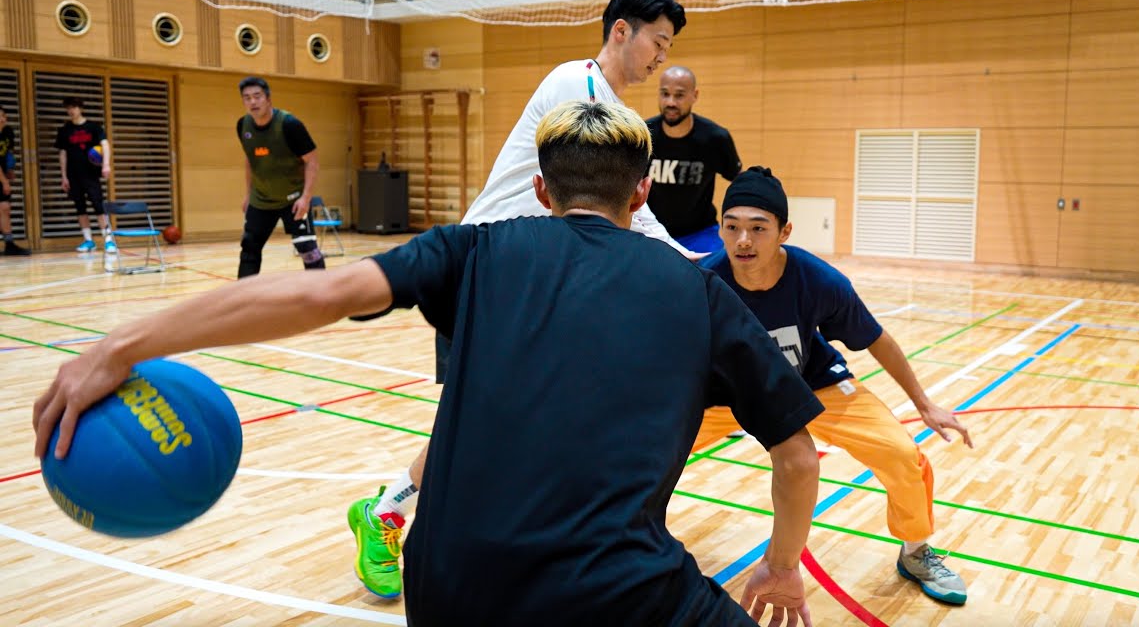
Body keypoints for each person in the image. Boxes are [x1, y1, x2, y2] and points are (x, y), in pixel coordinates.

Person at [34, 100, 824, 627]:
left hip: (451, 586)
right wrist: (783, 568)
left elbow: (319, 295)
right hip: (618, 591)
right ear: (642, 192)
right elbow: (795, 454)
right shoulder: (700, 294)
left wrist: (119, 345)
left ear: (542, 190)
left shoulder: (471, 250)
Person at [343, 0, 699, 598]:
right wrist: (689, 264)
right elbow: (630, 214)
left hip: (542, 281)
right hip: (490, 274)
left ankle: (412, 512)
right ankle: (389, 513)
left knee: (513, 417)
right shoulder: (577, 88)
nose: (660, 58)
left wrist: (685, 260)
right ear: (622, 31)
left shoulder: (609, 107)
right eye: (658, 43)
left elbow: (629, 211)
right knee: (476, 419)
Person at [695, 166, 974, 606]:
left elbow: (876, 339)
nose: (743, 240)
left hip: (812, 384)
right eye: (732, 228)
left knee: (902, 454)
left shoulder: (818, 280)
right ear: (720, 229)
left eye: (757, 228)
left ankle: (916, 550)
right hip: (726, 393)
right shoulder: (704, 283)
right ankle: (625, 540)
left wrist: (924, 404)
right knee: (646, 450)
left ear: (783, 231)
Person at [235, 77, 325, 279]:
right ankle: (244, 297)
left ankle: (321, 291)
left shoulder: (290, 124)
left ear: (268, 98)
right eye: (247, 98)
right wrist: (248, 195)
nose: (253, 102)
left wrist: (306, 198)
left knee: (307, 248)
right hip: (261, 200)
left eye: (257, 96)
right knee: (249, 248)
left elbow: (312, 161)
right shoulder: (243, 126)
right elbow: (250, 160)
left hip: (293, 199)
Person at [645, 66, 741, 253]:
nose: (670, 102)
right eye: (665, 94)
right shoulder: (643, 134)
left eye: (679, 95)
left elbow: (738, 180)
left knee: (715, 276)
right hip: (652, 232)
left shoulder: (715, 138)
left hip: (701, 232)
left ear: (694, 95)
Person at [55, 97, 113, 253]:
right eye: (68, 108)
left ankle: (108, 239)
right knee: (80, 207)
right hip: (73, 174)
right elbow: (63, 153)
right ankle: (88, 240)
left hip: (91, 173)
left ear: (80, 108)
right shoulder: (65, 130)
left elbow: (105, 144)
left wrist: (106, 164)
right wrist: (64, 176)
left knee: (98, 205)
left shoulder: (93, 127)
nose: (71, 111)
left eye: (73, 107)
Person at [0, 104, 31, 255]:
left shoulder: (7, 132)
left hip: (2, 173)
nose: (2, 119)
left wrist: (10, 169)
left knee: (4, 207)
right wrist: (4, 181)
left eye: (3, 115)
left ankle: (9, 244)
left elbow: (7, 153)